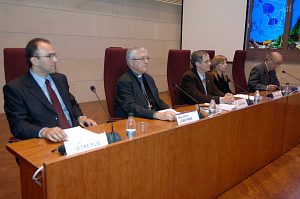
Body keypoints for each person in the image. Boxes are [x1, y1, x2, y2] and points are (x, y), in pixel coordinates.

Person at [3, 38, 97, 142]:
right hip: (46, 143)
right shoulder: (15, 88)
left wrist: (80, 118)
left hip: (75, 136)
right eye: (50, 56)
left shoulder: (60, 79)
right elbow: (18, 125)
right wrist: (44, 131)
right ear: (34, 61)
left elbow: (72, 104)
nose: (55, 60)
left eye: (55, 55)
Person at [114, 47, 177, 121]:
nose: (146, 61)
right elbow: (130, 107)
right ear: (131, 62)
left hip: (150, 119)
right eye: (142, 59)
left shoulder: (148, 78)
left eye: (147, 58)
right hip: (133, 123)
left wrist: (171, 111)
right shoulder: (124, 81)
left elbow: (156, 100)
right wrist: (156, 115)